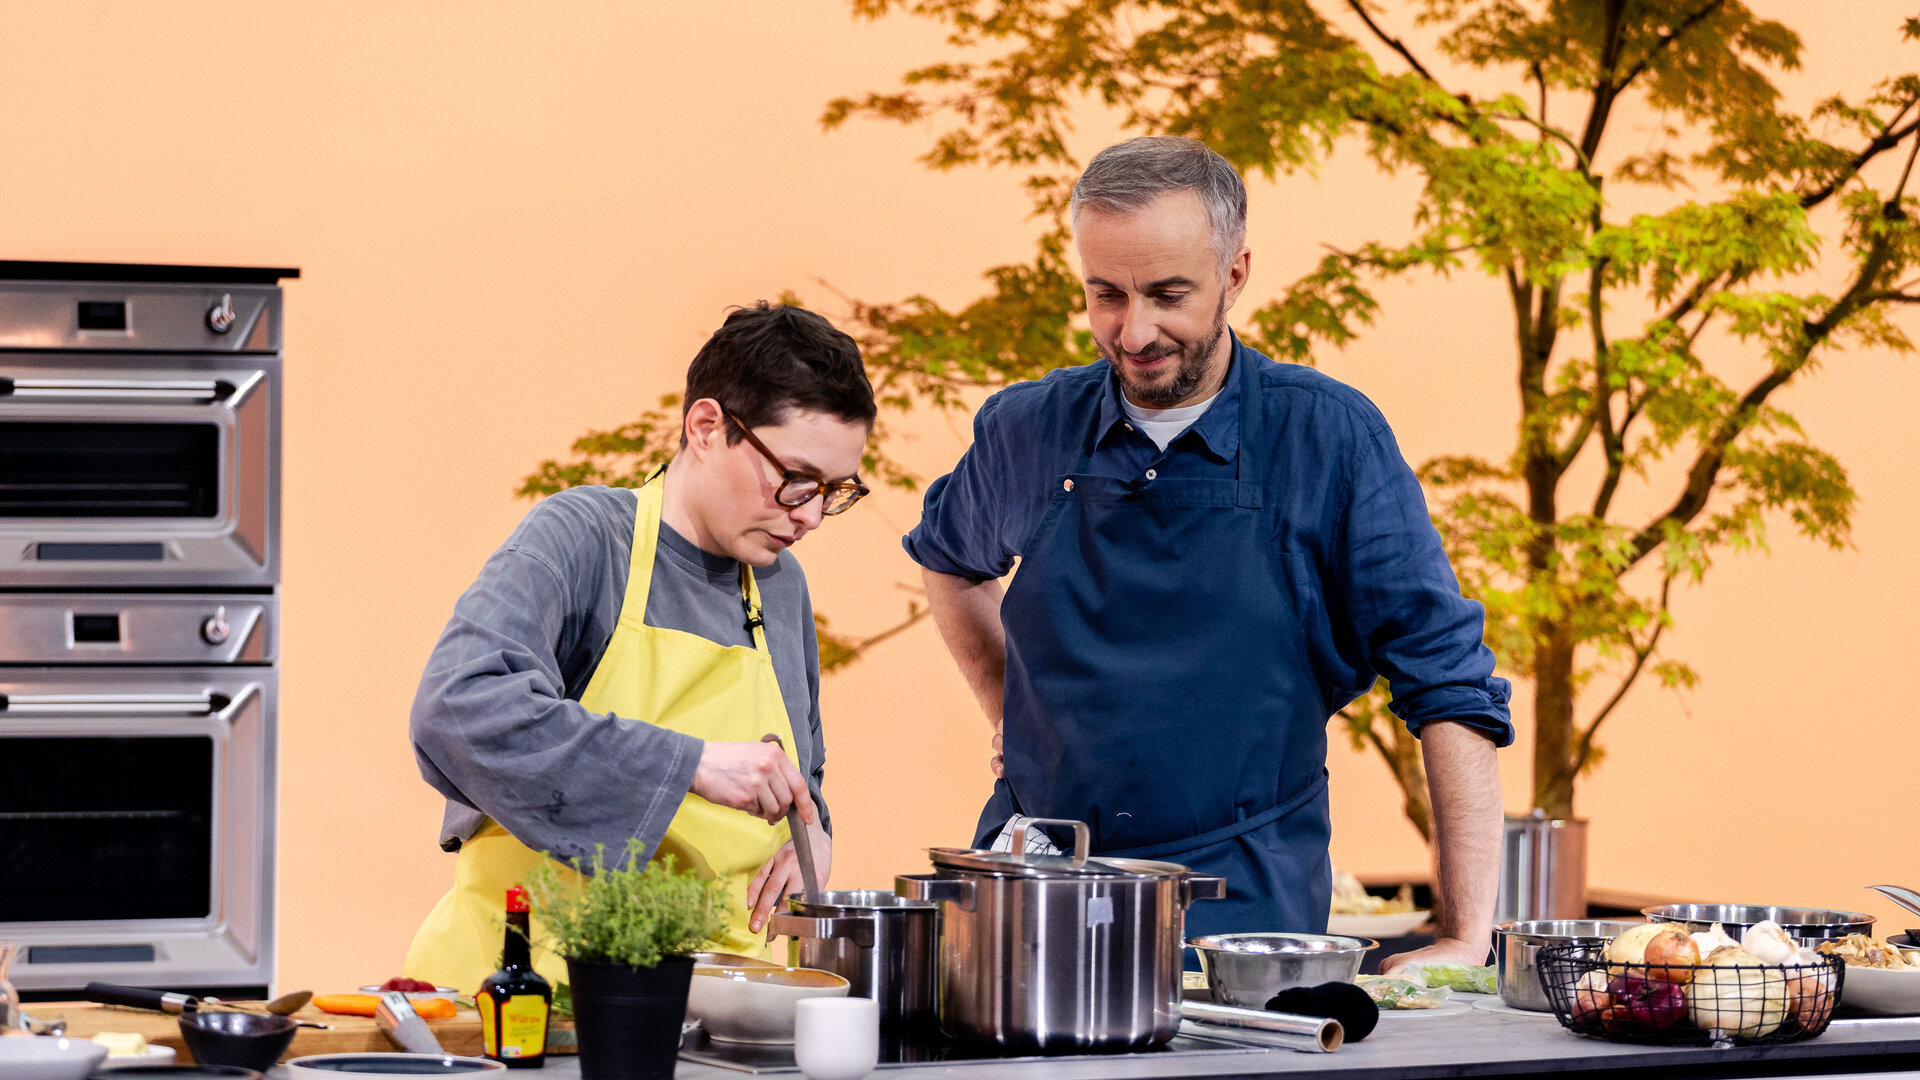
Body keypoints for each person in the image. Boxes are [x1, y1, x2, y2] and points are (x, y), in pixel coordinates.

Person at [902, 137, 1511, 972]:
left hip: (1241, 910)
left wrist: (1467, 935)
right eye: (1105, 294)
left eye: (1167, 294)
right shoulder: (1026, 430)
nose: (1134, 329)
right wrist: (1004, 703)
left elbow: (1449, 684)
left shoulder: (1328, 438)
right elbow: (949, 558)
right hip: (1033, 898)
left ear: (1235, 274)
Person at [404, 303, 876, 992]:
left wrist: (814, 838)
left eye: (833, 492)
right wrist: (688, 764)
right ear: (707, 427)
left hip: (712, 1012)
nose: (808, 514)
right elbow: (458, 708)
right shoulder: (585, 537)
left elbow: (803, 770)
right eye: (795, 478)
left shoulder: (781, 586)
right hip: (525, 1002)